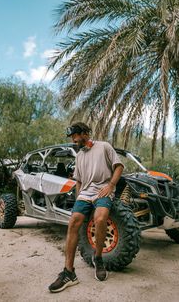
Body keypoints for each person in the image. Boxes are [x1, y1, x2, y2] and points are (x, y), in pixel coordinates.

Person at [48, 122, 124, 293]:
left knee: (100, 218)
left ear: (84, 133)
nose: (73, 140)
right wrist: (78, 200)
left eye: (75, 136)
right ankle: (69, 273)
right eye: (72, 138)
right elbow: (79, 181)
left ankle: (98, 258)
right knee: (74, 221)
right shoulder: (79, 156)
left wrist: (111, 185)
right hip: (85, 193)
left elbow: (119, 167)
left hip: (103, 189)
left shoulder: (104, 146)